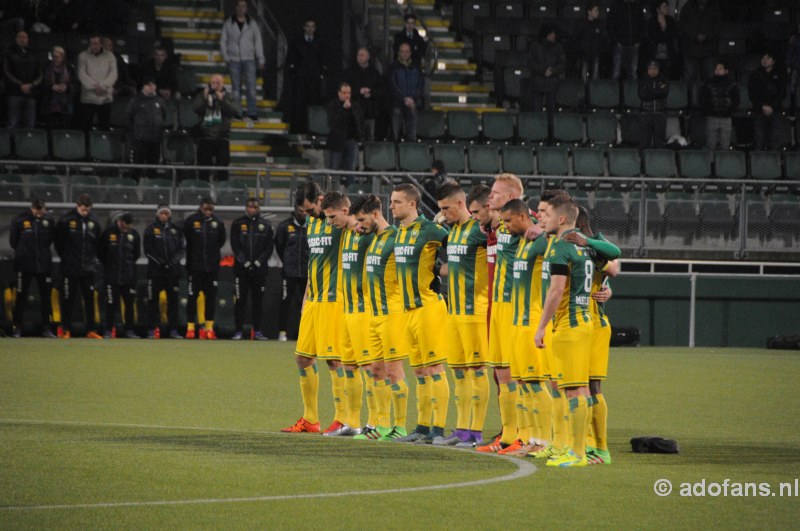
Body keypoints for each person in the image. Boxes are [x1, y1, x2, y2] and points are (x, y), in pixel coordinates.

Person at [534, 195, 596, 467]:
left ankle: (578, 453)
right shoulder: (585, 245)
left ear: (561, 219)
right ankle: (574, 448)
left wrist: (541, 325)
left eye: (547, 216)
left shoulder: (561, 247)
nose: (542, 219)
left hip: (568, 324)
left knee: (574, 390)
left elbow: (556, 290)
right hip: (583, 321)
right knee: (577, 388)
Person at [389, 184, 451, 444]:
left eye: (396, 202)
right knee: (420, 372)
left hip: (428, 308)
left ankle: (438, 429)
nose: (391, 206)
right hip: (408, 311)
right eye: (391, 202)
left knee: (435, 367)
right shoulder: (399, 233)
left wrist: (441, 271)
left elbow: (459, 250)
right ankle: (423, 428)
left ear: (412, 204)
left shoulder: (431, 230)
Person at [281, 189, 346, 434]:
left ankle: (342, 418)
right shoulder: (311, 223)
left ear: (320, 201)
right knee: (303, 357)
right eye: (304, 212)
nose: (308, 215)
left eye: (310, 209)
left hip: (334, 299)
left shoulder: (338, 222)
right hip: (314, 299)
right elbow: (314, 261)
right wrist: (306, 297)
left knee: (334, 359)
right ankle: (310, 419)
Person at [432, 182, 490, 448]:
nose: (444, 213)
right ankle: (462, 429)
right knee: (458, 372)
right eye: (440, 209)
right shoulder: (452, 231)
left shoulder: (479, 231)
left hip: (475, 311)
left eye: (446, 208)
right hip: (453, 311)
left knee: (476, 371)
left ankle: (476, 431)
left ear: (460, 203)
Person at [562, 206, 620, 465]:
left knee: (589, 387)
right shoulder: (572, 249)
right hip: (581, 323)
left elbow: (614, 267)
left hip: (591, 324)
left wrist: (607, 289)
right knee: (580, 387)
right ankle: (584, 445)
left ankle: (597, 447)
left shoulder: (594, 245)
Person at [351, 194, 410, 441]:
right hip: (373, 315)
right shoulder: (373, 239)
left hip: (392, 314)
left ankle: (401, 427)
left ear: (375, 215)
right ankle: (381, 426)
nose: (359, 225)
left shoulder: (396, 237)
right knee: (375, 371)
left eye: (362, 219)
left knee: (394, 371)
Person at [475, 174, 525, 453]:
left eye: (494, 193)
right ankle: (509, 434)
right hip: (497, 308)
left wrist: (605, 281)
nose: (489, 197)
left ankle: (525, 435)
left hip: (516, 310)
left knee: (519, 376)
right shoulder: (495, 230)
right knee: (501, 374)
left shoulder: (525, 228)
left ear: (509, 198)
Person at [497, 198, 551, 456]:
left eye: (508, 220)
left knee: (536, 383)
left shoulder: (541, 240)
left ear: (522, 216)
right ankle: (530, 439)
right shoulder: (519, 242)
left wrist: (544, 228)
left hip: (533, 321)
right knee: (524, 385)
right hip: (516, 323)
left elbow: (564, 244)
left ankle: (545, 441)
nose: (504, 226)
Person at [320, 193, 372, 437]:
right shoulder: (346, 235)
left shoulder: (367, 235)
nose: (330, 222)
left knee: (371, 368)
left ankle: (375, 424)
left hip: (365, 310)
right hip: (348, 310)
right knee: (349, 367)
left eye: (332, 217)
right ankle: (352, 423)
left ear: (345, 210)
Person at [54, 194, 103, 339]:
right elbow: (58, 243)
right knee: (68, 299)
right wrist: (68, 258)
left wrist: (91, 260)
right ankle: (66, 329)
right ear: (77, 206)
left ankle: (90, 330)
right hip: (70, 268)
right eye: (83, 210)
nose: (85, 213)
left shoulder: (94, 221)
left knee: (89, 300)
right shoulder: (66, 220)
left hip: (88, 268)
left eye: (87, 210)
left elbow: (97, 244)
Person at [10, 198, 56, 338]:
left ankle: (46, 328)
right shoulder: (19, 219)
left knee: (46, 298)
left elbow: (51, 240)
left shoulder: (49, 220)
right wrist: (25, 253)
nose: (39, 215)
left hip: (44, 265)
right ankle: (17, 327)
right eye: (37, 212)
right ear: (32, 208)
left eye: (41, 212)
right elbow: (13, 241)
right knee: (21, 297)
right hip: (24, 265)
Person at [230, 198, 275, 340]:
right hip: (241, 270)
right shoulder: (237, 223)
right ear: (246, 208)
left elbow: (269, 247)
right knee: (240, 301)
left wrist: (257, 262)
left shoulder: (266, 225)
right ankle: (238, 331)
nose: (252, 209)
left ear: (259, 208)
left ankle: (257, 331)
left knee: (258, 302)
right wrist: (245, 262)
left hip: (259, 270)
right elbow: (235, 245)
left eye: (255, 207)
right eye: (249, 207)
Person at [182, 197, 226, 339]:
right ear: (201, 207)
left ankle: (208, 328)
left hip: (212, 268)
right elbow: (187, 240)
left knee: (211, 298)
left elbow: (221, 241)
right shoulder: (191, 221)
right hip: (195, 267)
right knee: (192, 297)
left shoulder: (218, 223)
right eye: (206, 208)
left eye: (211, 209)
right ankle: (190, 328)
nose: (208, 211)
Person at [275, 184, 313, 341]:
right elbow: (279, 246)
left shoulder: (312, 226)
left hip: (306, 272)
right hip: (289, 272)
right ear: (295, 210)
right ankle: (282, 333)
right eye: (300, 211)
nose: (303, 214)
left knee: (305, 305)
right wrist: (288, 262)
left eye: (305, 211)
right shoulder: (284, 226)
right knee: (285, 303)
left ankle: (304, 334)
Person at [143, 204, 184, 339]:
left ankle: (173, 330)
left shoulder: (176, 230)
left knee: (173, 302)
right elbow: (148, 250)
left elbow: (181, 250)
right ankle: (152, 330)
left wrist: (171, 263)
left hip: (172, 272)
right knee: (152, 301)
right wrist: (160, 262)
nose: (164, 216)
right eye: (162, 213)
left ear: (170, 215)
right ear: (157, 214)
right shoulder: (150, 229)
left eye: (166, 214)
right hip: (155, 272)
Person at [220, 0, 265, 121]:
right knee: (236, 88)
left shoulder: (252, 24)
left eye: (244, 6)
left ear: (247, 8)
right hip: (234, 59)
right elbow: (223, 41)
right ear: (236, 7)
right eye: (239, 6)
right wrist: (226, 57)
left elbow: (258, 41)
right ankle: (237, 111)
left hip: (249, 58)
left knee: (251, 87)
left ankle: (252, 112)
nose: (241, 8)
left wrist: (261, 58)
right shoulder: (228, 23)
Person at [99, 212, 141, 339]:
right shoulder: (108, 233)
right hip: (112, 277)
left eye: (128, 224)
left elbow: (136, 255)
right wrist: (110, 266)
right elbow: (101, 253)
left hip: (128, 277)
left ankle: (129, 330)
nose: (125, 227)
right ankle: (108, 330)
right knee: (111, 305)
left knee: (129, 305)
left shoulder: (134, 235)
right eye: (123, 223)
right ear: (118, 221)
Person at [193, 73, 239, 181]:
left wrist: (222, 100)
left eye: (218, 83)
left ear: (223, 84)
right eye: (213, 83)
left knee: (223, 170)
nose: (215, 85)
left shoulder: (228, 96)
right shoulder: (203, 95)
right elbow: (195, 108)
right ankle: (203, 194)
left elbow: (235, 111)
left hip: (222, 137)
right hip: (205, 137)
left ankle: (223, 194)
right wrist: (205, 98)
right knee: (203, 170)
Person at [287, 18, 326, 133]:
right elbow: (291, 58)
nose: (310, 29)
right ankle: (297, 128)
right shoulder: (297, 41)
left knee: (313, 103)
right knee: (299, 103)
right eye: (308, 26)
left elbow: (322, 60)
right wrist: (295, 72)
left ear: (315, 28)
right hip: (300, 78)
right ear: (304, 27)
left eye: (312, 26)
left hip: (314, 79)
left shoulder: (319, 42)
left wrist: (320, 74)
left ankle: (313, 128)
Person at [678, 0, 720, 99]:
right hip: (691, 49)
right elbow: (683, 26)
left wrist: (707, 36)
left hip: (708, 49)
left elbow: (718, 27)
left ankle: (708, 103)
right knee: (690, 78)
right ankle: (690, 104)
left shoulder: (714, 8)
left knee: (709, 78)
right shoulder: (687, 7)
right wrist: (695, 36)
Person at [127, 77, 168, 180]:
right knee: (136, 169)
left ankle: (152, 193)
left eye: (153, 85)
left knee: (153, 170)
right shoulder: (135, 100)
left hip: (155, 140)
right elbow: (129, 118)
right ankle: (133, 192)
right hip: (140, 140)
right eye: (148, 85)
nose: (151, 87)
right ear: (143, 86)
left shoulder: (160, 101)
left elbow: (164, 115)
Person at [529, 25, 565, 140]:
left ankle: (551, 135)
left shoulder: (558, 47)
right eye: (551, 33)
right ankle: (536, 134)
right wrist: (543, 71)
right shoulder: (535, 46)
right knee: (536, 110)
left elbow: (562, 64)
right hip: (538, 82)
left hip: (552, 83)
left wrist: (552, 71)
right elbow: (531, 62)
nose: (553, 35)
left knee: (551, 111)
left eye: (554, 33)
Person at [76, 34, 117, 131]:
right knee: (86, 127)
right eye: (91, 43)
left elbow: (113, 74)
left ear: (101, 44)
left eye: (95, 43)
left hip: (105, 97)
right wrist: (95, 87)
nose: (93, 46)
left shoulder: (110, 56)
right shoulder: (82, 56)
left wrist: (102, 86)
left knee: (104, 127)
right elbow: (81, 74)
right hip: (88, 98)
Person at [326, 81, 364, 186]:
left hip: (352, 140)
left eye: (348, 93)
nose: (347, 95)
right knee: (335, 168)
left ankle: (351, 193)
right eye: (344, 93)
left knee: (351, 168)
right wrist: (343, 109)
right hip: (337, 141)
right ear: (339, 93)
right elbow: (333, 123)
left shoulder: (355, 105)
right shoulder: (333, 105)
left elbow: (360, 121)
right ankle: (334, 193)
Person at [342, 47, 382, 142]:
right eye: (358, 55)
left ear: (368, 57)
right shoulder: (349, 72)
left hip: (370, 112)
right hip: (355, 111)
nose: (359, 57)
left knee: (370, 137)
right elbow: (345, 89)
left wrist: (371, 93)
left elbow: (381, 90)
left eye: (362, 55)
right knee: (355, 138)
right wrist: (358, 91)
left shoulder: (374, 73)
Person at [748, 51, 786, 151]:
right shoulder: (755, 74)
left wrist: (772, 107)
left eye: (768, 58)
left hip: (775, 110)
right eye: (763, 58)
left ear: (773, 61)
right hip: (759, 110)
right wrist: (762, 106)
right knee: (759, 139)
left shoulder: (780, 74)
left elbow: (782, 93)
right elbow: (752, 93)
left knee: (775, 139)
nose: (765, 60)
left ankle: (774, 164)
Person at [3, 30, 41, 129]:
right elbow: (6, 72)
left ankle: (28, 144)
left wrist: (31, 85)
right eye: (20, 37)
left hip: (30, 93)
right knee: (13, 123)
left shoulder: (33, 55)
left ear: (28, 39)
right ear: (15, 39)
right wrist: (20, 85)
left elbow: (40, 74)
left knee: (30, 124)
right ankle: (11, 144)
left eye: (24, 37)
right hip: (14, 93)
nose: (22, 39)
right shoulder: (8, 54)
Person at [700, 61, 739, 150]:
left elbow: (736, 100)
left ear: (726, 71)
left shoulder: (732, 84)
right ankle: (710, 163)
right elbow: (703, 99)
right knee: (710, 145)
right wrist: (708, 110)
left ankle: (723, 163)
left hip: (726, 117)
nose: (717, 70)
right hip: (712, 116)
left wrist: (729, 110)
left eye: (720, 68)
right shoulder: (708, 83)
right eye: (716, 68)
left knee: (725, 145)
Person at [388, 42, 423, 141]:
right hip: (397, 105)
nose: (405, 54)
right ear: (398, 53)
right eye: (402, 51)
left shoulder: (416, 67)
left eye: (407, 51)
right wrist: (404, 99)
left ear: (410, 53)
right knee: (395, 136)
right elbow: (392, 86)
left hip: (412, 105)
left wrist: (413, 99)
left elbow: (420, 86)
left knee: (412, 136)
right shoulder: (393, 67)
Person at [607, 0, 645, 80]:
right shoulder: (616, 6)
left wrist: (638, 40)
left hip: (633, 43)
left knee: (632, 72)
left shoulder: (637, 7)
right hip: (620, 43)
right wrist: (616, 40)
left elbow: (642, 25)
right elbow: (610, 25)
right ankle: (613, 91)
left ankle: (630, 91)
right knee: (616, 71)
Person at [42, 46, 75, 129]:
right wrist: (52, 87)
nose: (55, 59)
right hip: (50, 103)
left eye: (57, 57)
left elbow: (75, 84)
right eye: (54, 57)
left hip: (65, 104)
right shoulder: (46, 67)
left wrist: (66, 87)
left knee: (64, 127)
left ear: (62, 57)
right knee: (50, 128)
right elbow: (42, 83)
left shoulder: (69, 68)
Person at [644, 0, 679, 79]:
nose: (666, 9)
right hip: (655, 53)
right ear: (658, 9)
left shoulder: (670, 21)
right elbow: (653, 36)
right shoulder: (652, 22)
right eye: (664, 7)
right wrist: (663, 32)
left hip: (668, 53)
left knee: (667, 75)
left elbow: (673, 35)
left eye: (667, 7)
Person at [638, 60, 669, 148]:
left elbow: (664, 93)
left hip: (660, 113)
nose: (653, 71)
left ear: (658, 70)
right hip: (645, 113)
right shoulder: (643, 80)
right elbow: (643, 95)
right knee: (644, 142)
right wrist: (657, 91)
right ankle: (643, 160)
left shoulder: (664, 79)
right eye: (650, 69)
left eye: (655, 69)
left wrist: (650, 90)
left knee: (659, 142)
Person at [574, 3, 608, 82]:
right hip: (584, 54)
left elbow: (602, 38)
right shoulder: (581, 24)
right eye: (595, 10)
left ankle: (593, 93)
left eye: (598, 10)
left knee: (595, 77)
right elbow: (576, 38)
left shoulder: (599, 24)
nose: (597, 12)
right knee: (583, 77)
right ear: (589, 12)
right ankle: (583, 93)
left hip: (595, 54)